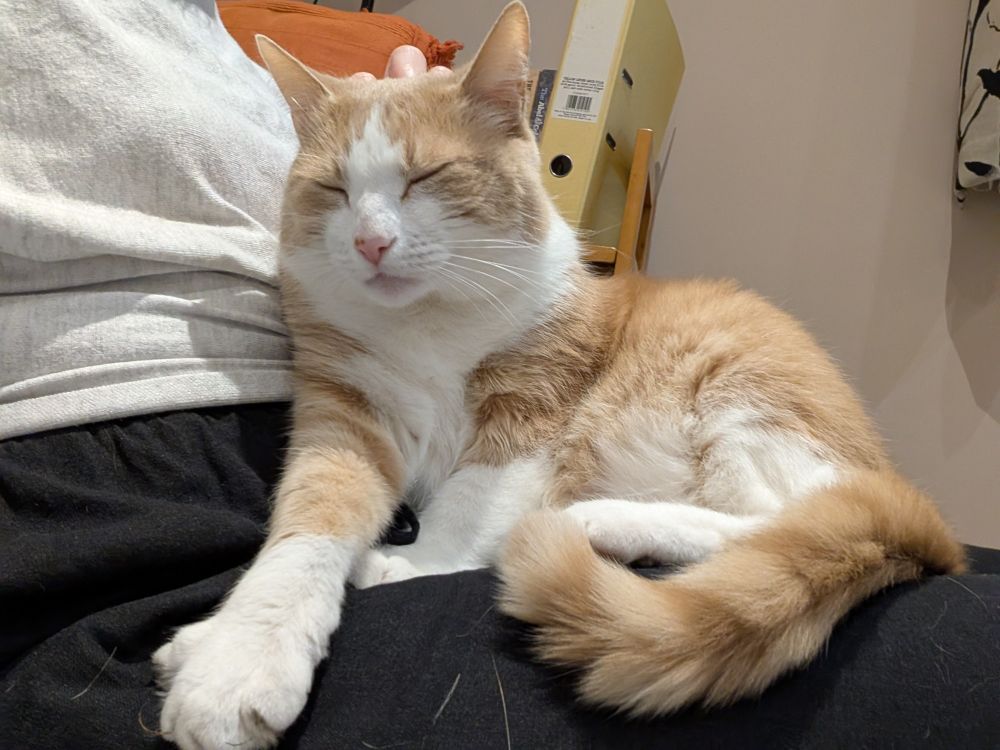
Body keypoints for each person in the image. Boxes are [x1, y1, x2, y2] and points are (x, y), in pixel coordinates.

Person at [0, 3, 996, 749]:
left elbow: (524, 418)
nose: (376, 234)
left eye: (422, 186)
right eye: (339, 192)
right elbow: (349, 437)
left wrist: (436, 557)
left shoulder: (535, 289)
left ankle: (779, 529)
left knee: (736, 344)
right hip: (146, 492)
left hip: (656, 436)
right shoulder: (331, 289)